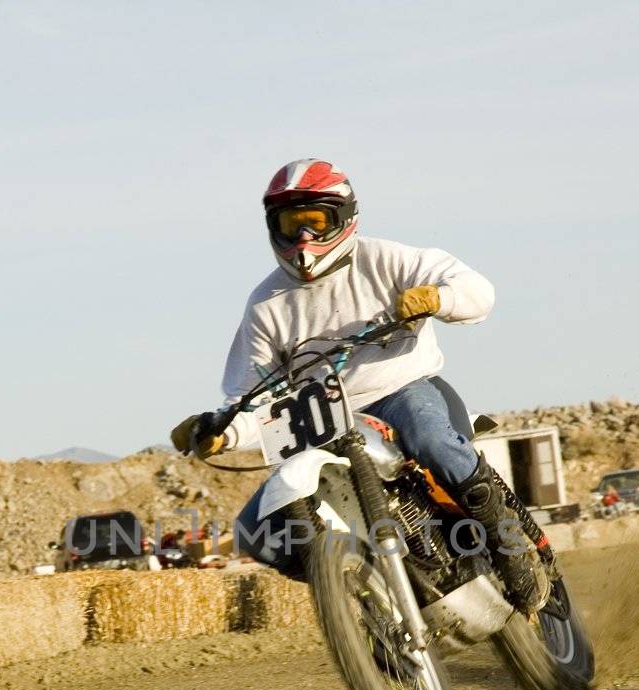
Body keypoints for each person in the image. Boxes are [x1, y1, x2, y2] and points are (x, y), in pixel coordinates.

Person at [168, 159, 548, 611]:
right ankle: (370, 607)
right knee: (257, 531)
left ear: (343, 217)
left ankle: (509, 546)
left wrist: (439, 298)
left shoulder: (385, 259)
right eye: (292, 226)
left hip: (398, 388)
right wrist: (223, 431)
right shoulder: (265, 306)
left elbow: (476, 290)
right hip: (319, 423)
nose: (304, 240)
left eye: (315, 223)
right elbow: (254, 397)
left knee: (430, 439)